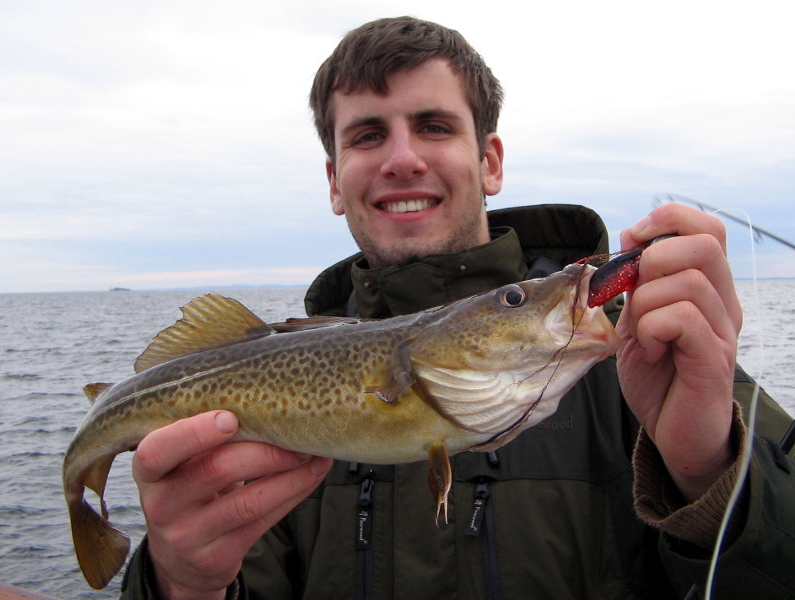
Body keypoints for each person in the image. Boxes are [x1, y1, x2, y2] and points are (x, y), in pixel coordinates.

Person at [120, 17, 795, 600]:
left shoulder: (650, 356)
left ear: (490, 161)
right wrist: (177, 580)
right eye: (366, 136)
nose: (403, 159)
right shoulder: (262, 384)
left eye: (434, 126)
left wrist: (710, 475)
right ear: (334, 181)